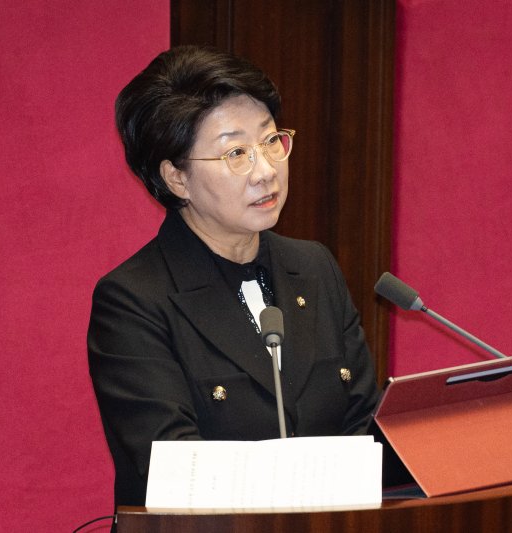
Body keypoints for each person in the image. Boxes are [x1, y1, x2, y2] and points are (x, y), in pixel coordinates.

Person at [87, 45, 380, 508]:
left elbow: (365, 430)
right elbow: (176, 470)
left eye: (270, 141)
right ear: (176, 178)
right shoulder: (134, 300)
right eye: (236, 153)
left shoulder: (314, 267)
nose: (265, 171)